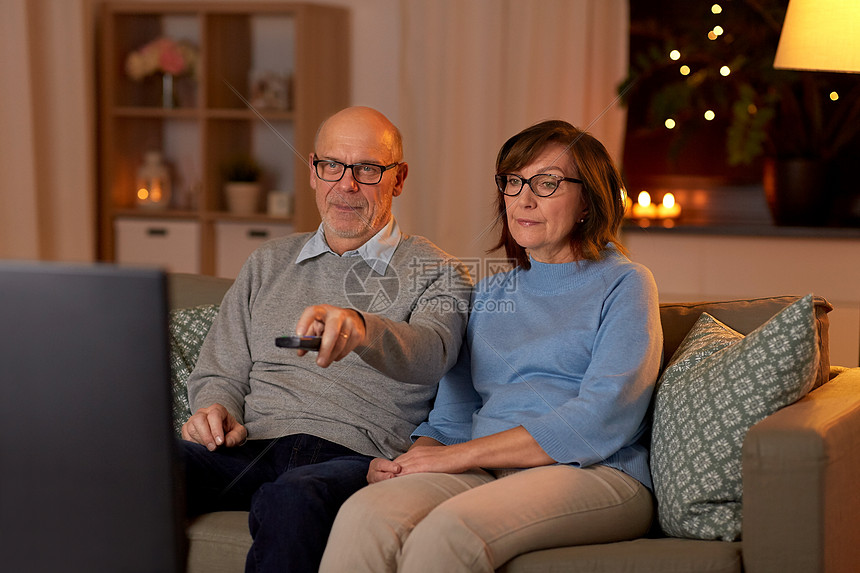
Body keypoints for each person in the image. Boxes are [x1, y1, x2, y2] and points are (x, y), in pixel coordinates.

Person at [319, 120, 663, 573]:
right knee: (365, 512)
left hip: (594, 472)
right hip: (485, 470)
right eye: (514, 181)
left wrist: (457, 456)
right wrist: (413, 458)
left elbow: (600, 420)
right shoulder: (488, 294)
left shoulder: (625, 283)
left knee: (448, 532)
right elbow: (454, 415)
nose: (523, 198)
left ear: (588, 201)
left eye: (547, 183)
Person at [179, 106, 472, 573]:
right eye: (332, 166)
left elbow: (432, 354)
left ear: (399, 179)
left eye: (368, 170)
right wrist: (214, 410)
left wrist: (361, 328)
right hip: (251, 445)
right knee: (140, 467)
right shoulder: (267, 263)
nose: (346, 184)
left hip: (355, 455)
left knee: (292, 499)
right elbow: (220, 370)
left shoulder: (438, 272)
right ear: (314, 172)